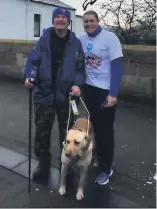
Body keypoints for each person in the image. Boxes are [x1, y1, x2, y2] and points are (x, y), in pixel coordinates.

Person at [24, 7, 85, 183]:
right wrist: (30, 77)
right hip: (44, 95)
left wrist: (77, 84)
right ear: (53, 20)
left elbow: (81, 69)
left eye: (63, 17)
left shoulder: (76, 43)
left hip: (67, 97)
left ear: (68, 21)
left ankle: (67, 167)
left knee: (68, 136)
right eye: (57, 17)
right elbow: (32, 62)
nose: (60, 19)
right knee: (42, 134)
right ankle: (43, 164)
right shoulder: (43, 40)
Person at [79, 10, 123, 185]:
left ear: (98, 21)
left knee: (105, 131)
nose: (89, 24)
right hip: (89, 90)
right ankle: (99, 157)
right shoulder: (82, 39)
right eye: (86, 21)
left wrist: (113, 93)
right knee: (95, 126)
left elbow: (117, 67)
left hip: (105, 92)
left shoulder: (110, 38)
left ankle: (106, 168)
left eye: (91, 21)